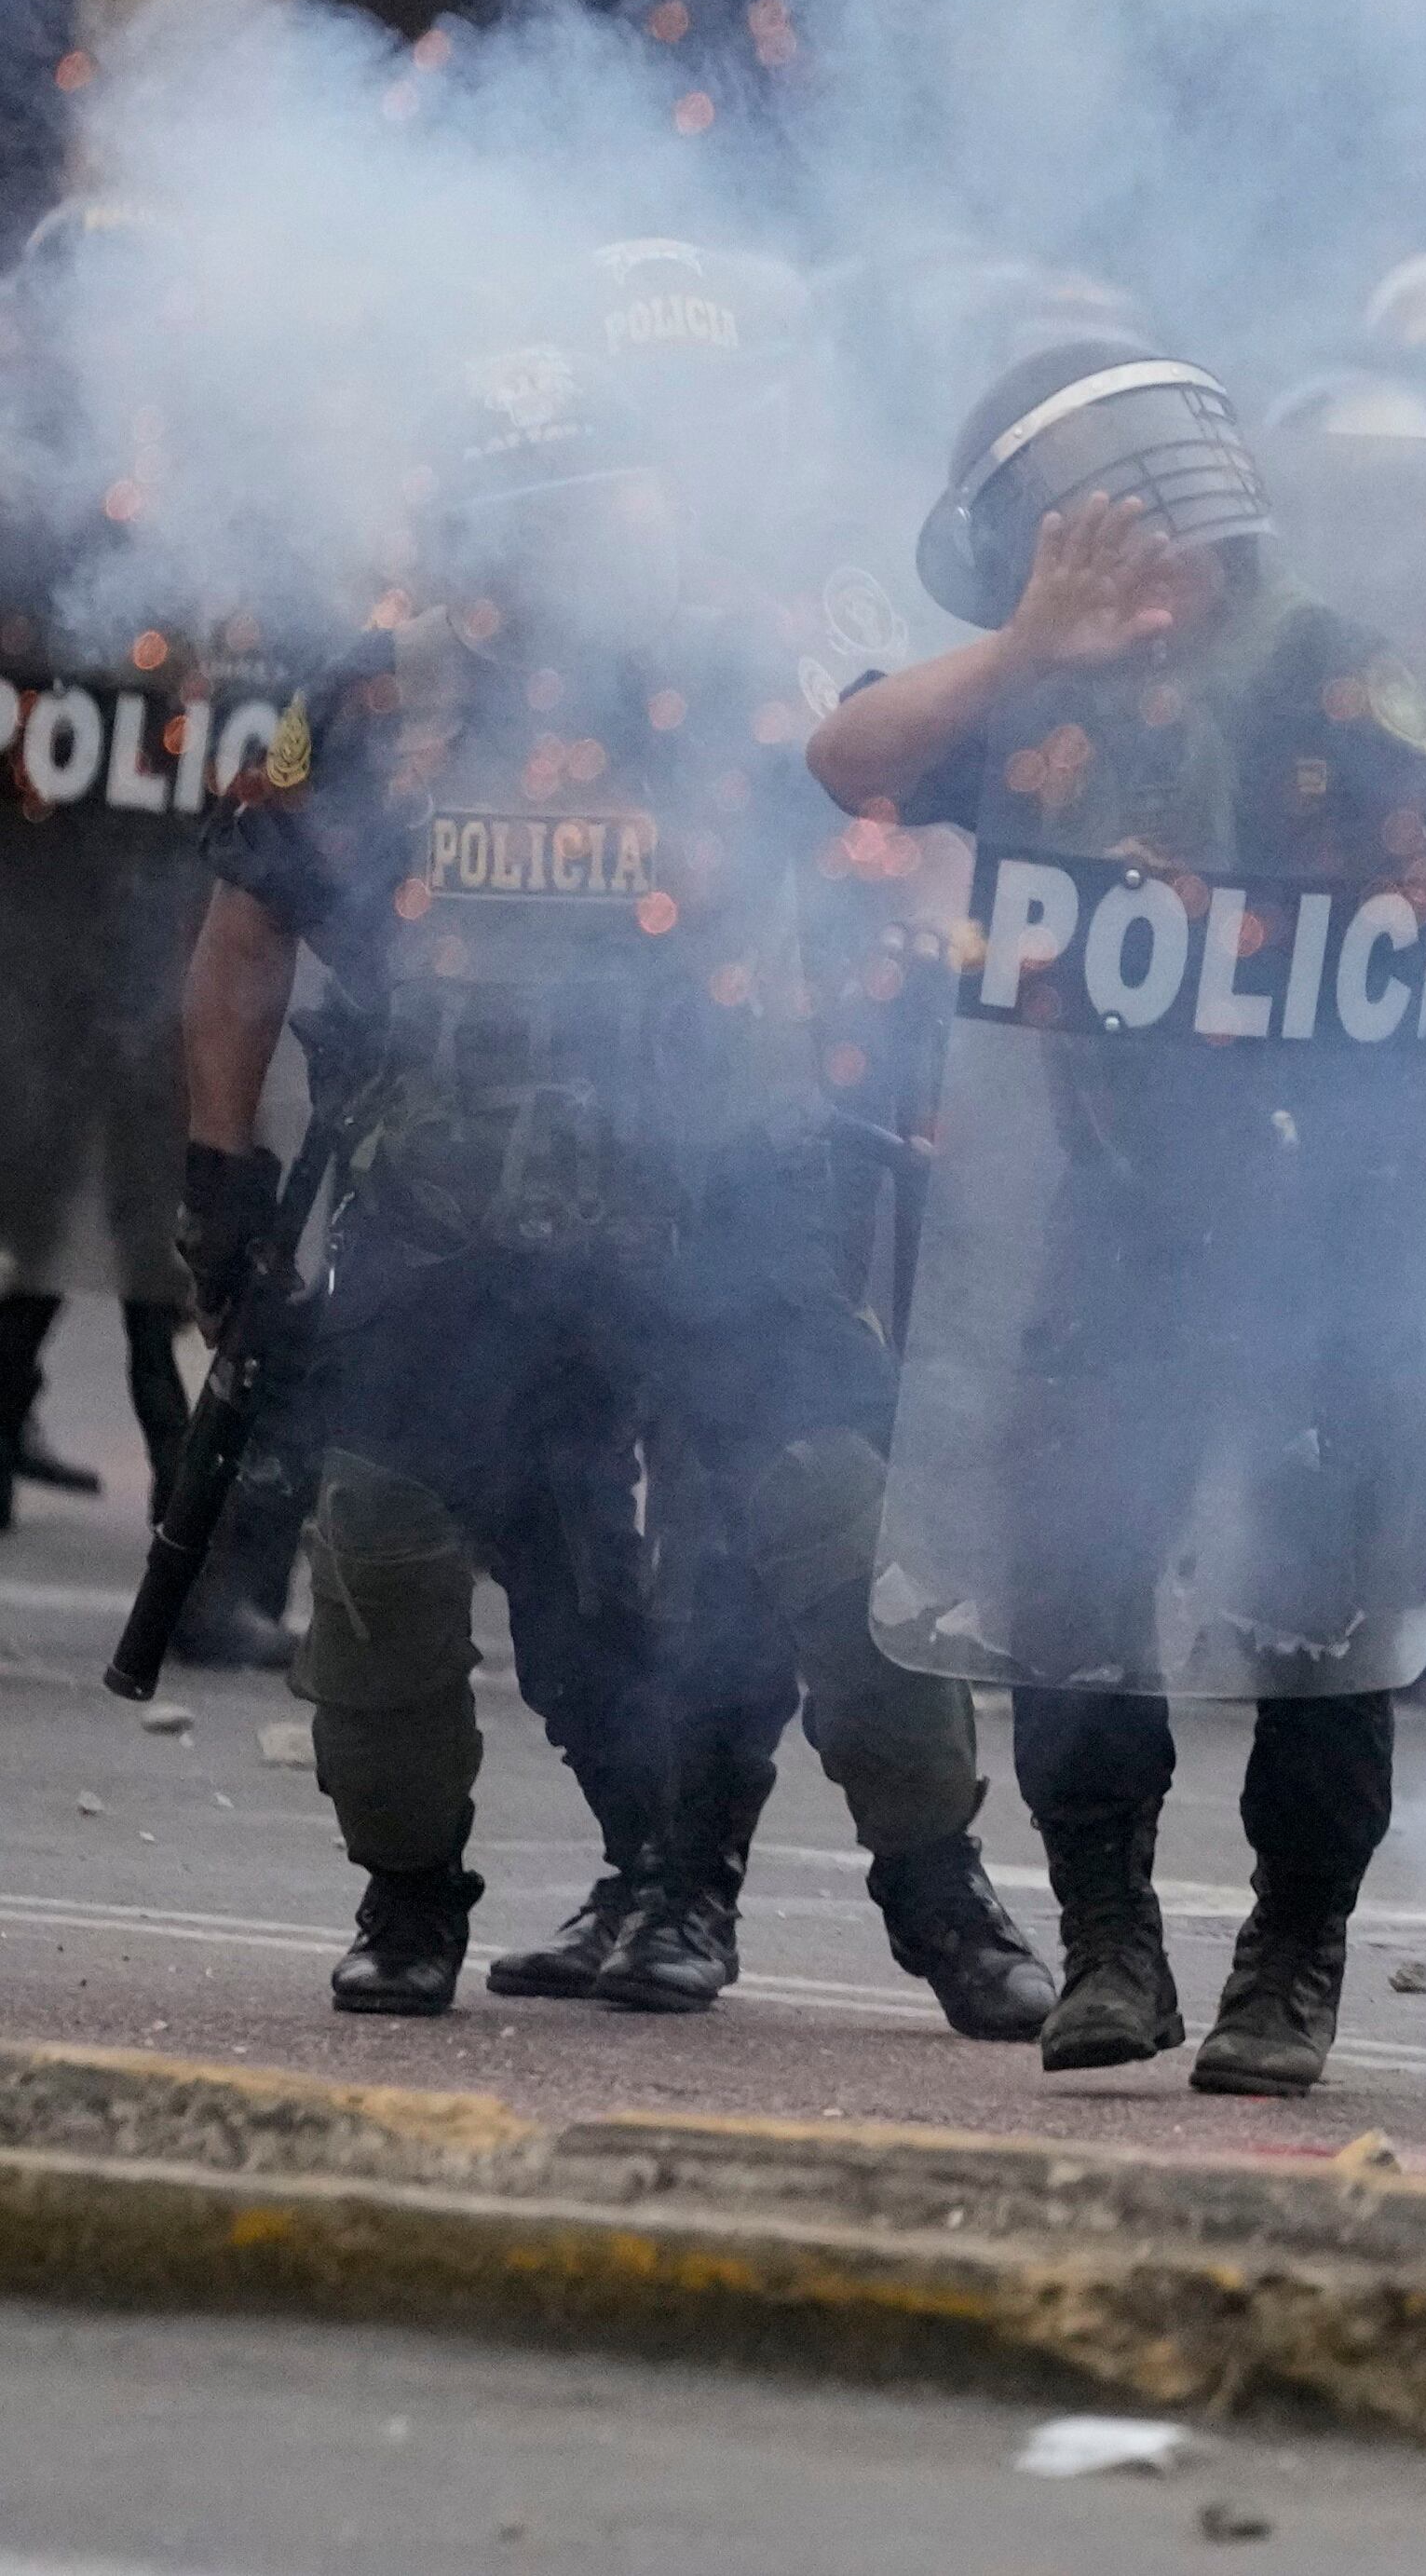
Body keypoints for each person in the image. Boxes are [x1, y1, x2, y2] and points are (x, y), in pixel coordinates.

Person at [184, 342, 1052, 2024]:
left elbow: (904, 830)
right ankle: (412, 1896)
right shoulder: (377, 694)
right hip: (450, 1223)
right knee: (382, 1558)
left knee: (837, 1524)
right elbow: (242, 934)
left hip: (713, 1206)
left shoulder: (739, 670)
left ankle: (942, 1901)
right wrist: (217, 1180)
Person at [808, 343, 1426, 2090]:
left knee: (1321, 1607)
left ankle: (1292, 1955)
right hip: (1105, 1209)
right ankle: (1110, 1938)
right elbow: (847, 759)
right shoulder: (1035, 689)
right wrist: (1033, 650)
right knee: (1073, 1572)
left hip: (1327, 1213)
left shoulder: (1343, 672)